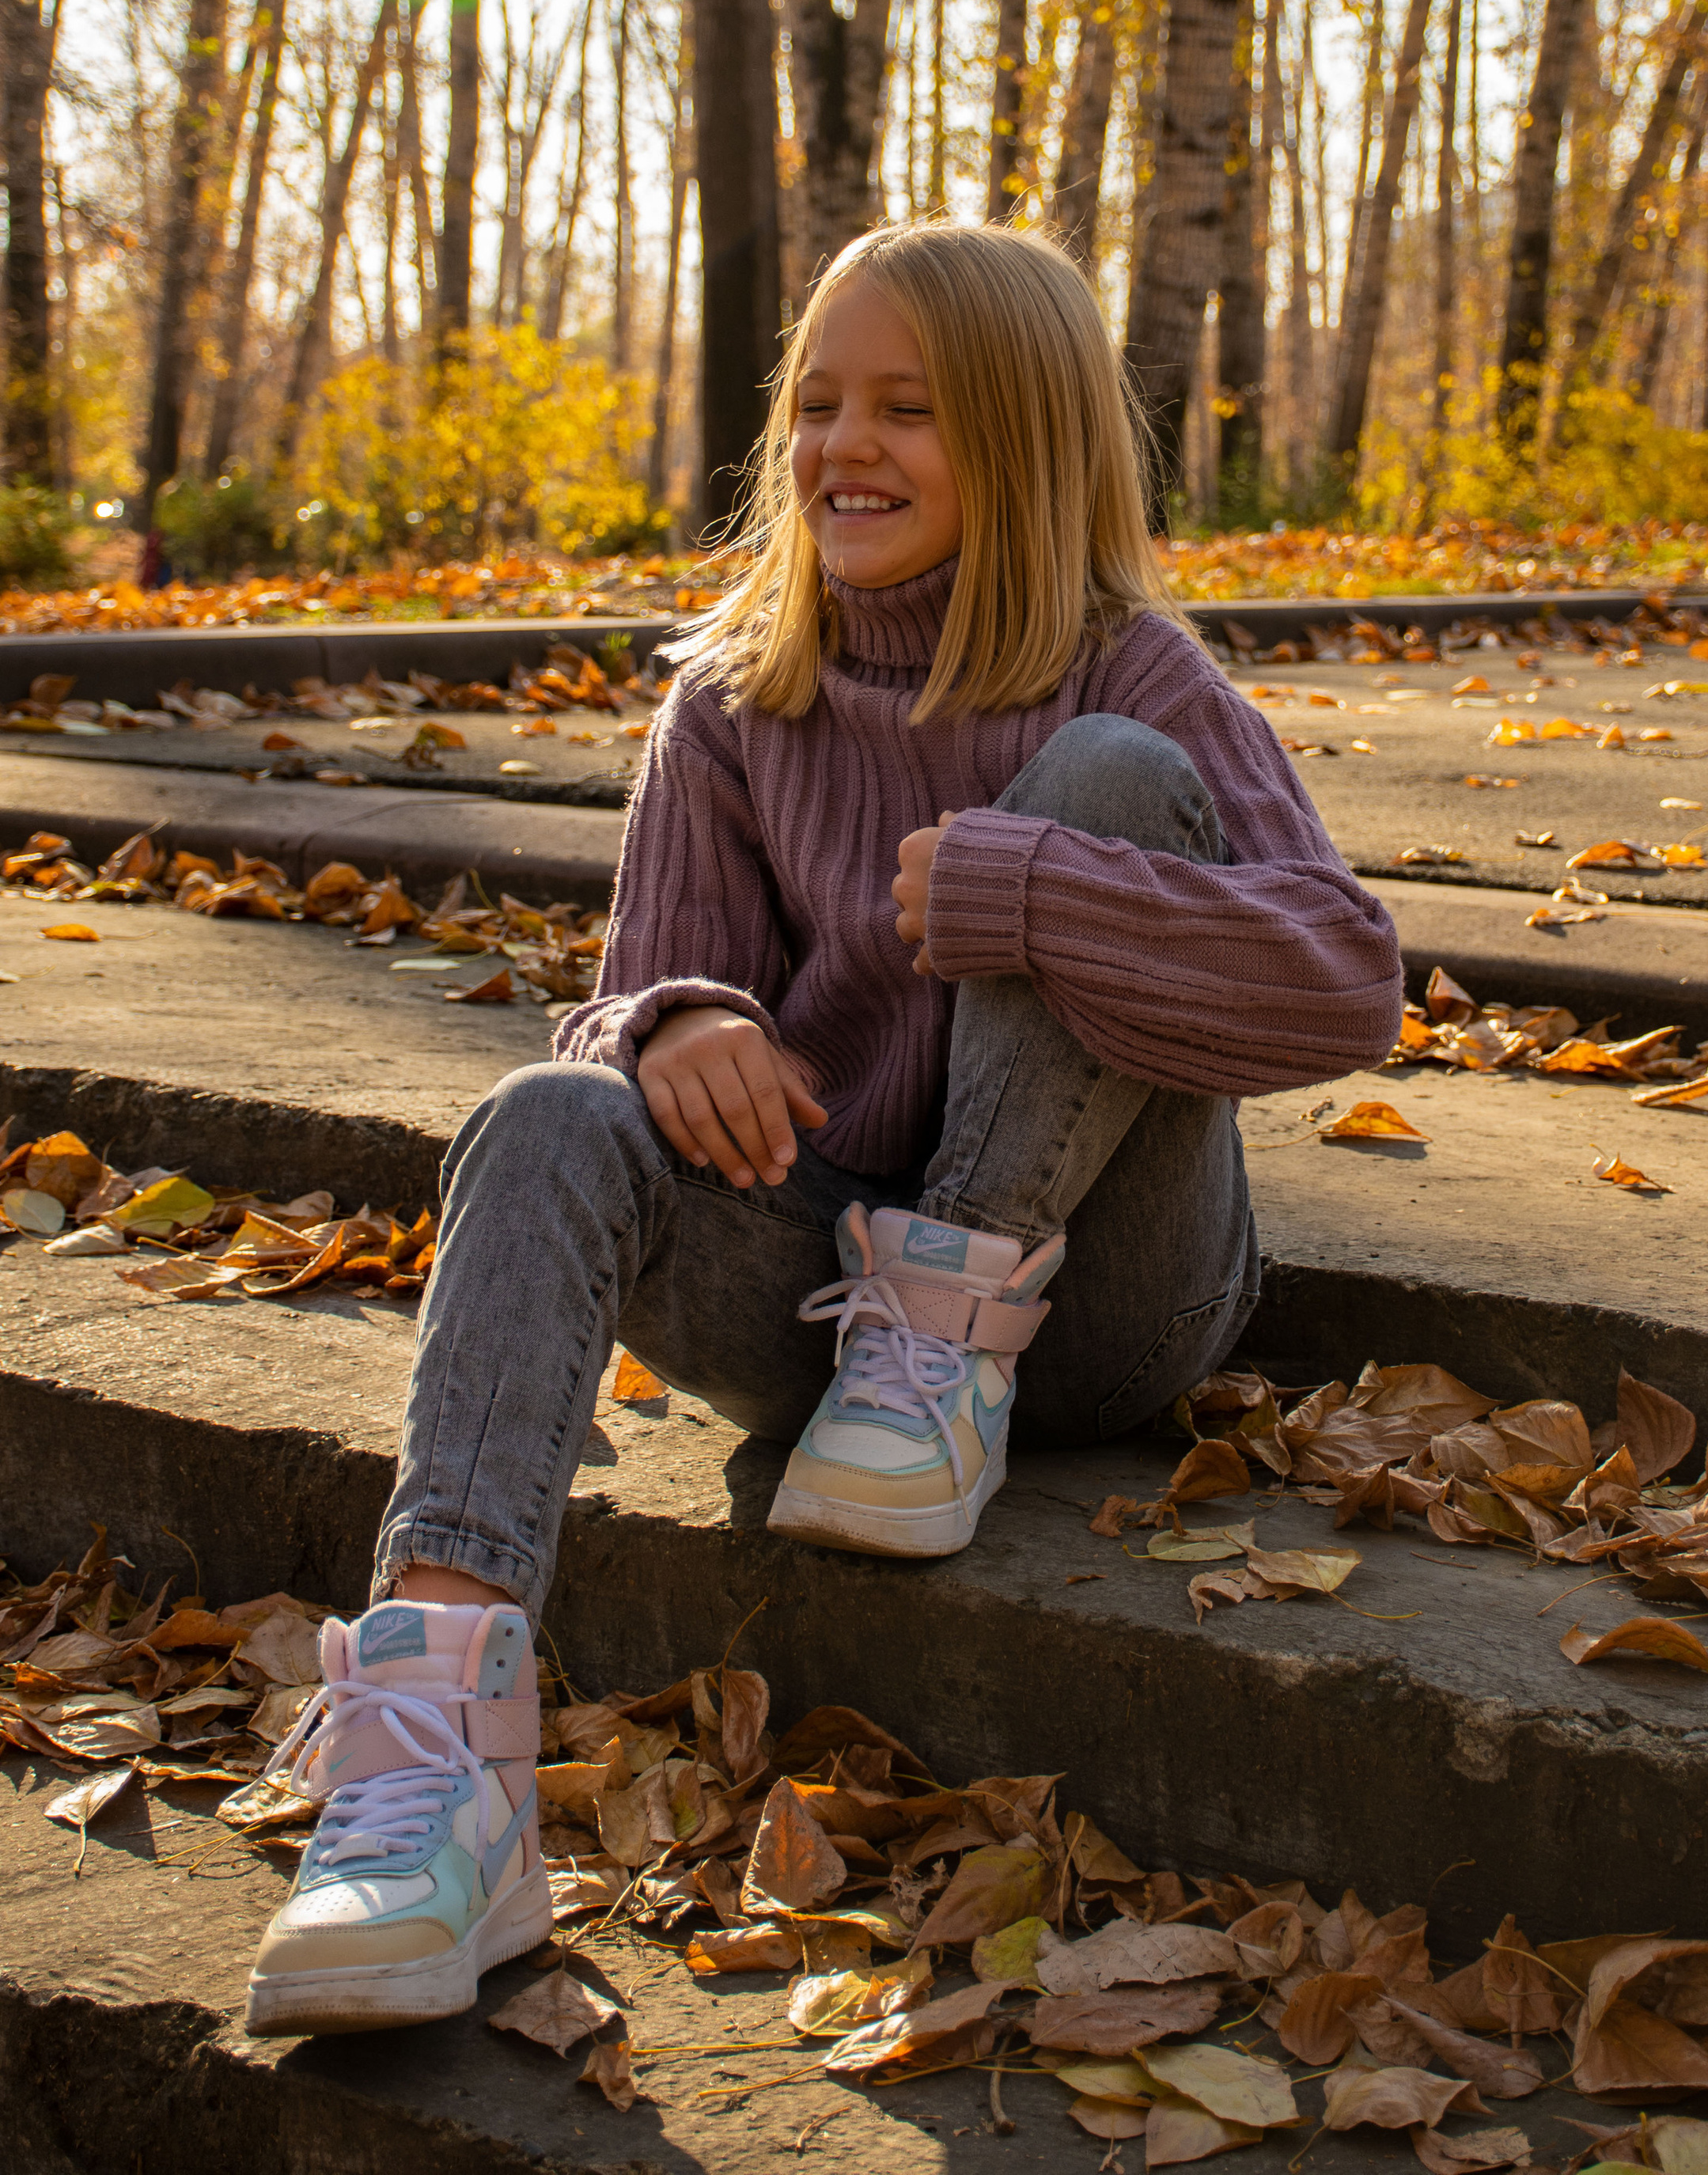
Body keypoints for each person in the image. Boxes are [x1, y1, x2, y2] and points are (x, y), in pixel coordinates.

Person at [243, 220, 1403, 2040]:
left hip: (1106, 1300)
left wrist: (1043, 892)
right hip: (822, 1317)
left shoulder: (1137, 676)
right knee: (544, 1116)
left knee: (1097, 791)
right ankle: (432, 1783)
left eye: (908, 410)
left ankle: (949, 1339)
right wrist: (679, 1024)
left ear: (1026, 440)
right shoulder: (729, 700)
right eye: (815, 404)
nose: (843, 446)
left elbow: (1345, 984)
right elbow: (622, 1004)